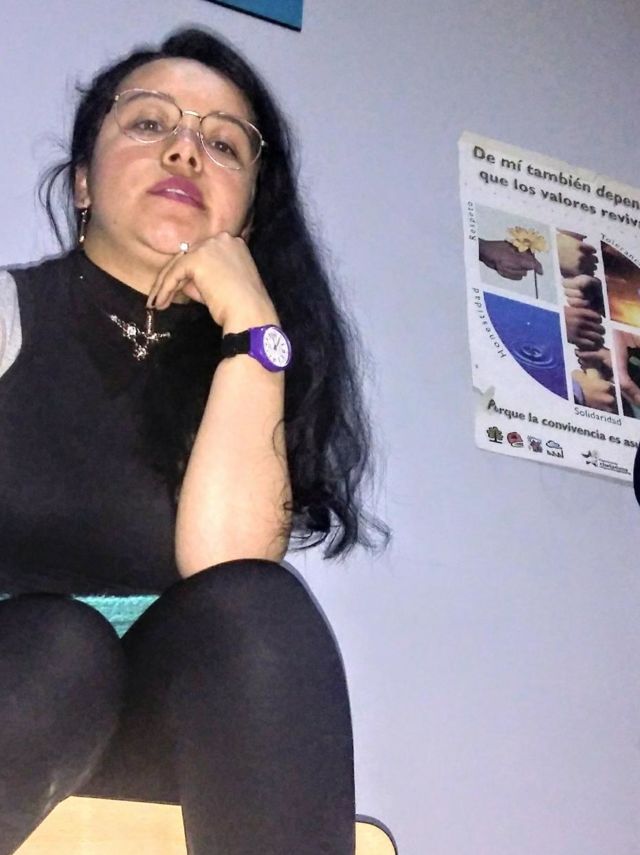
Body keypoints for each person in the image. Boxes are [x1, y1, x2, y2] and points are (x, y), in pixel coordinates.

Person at [0, 26, 389, 855]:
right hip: (16, 700)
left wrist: (254, 329)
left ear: (246, 213)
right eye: (150, 123)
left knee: (258, 611)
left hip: (147, 746)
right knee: (64, 646)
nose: (185, 151)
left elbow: (228, 574)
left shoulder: (246, 369)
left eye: (223, 144)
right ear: (82, 180)